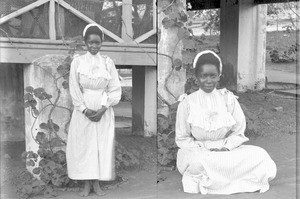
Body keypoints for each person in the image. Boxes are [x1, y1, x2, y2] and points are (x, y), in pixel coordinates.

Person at [175, 50, 277, 195]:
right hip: (200, 152)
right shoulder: (187, 103)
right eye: (204, 76)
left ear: (219, 77)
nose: (209, 81)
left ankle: (219, 179)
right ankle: (227, 177)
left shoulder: (228, 99)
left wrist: (226, 148)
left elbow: (239, 132)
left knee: (260, 155)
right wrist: (201, 148)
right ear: (197, 77)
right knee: (196, 163)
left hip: (226, 151)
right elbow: (182, 138)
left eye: (213, 76)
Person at [66, 24, 121, 197]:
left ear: (101, 43)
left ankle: (97, 184)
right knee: (84, 147)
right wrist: (84, 109)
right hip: (84, 110)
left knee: (99, 147)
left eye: (97, 43)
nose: (94, 46)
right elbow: (74, 87)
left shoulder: (107, 62)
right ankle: (85, 184)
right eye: (90, 43)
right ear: (85, 43)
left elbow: (114, 88)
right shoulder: (78, 62)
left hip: (103, 109)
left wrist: (104, 108)